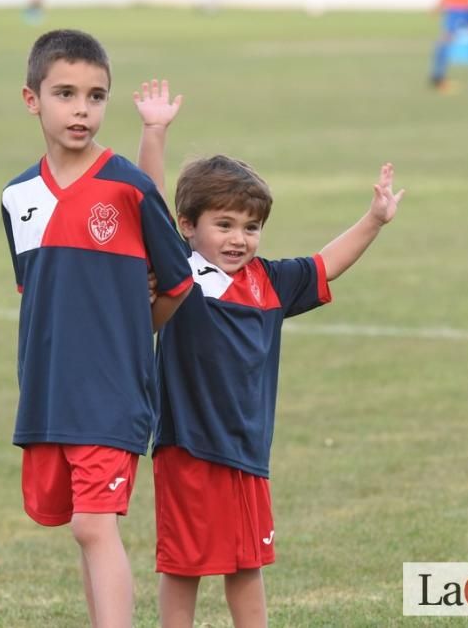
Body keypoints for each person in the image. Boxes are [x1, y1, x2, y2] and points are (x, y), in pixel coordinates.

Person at [133, 80, 404, 628]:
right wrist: (154, 132)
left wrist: (373, 220)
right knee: (183, 566)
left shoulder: (270, 283)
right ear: (188, 227)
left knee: (247, 563)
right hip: (188, 449)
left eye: (251, 227)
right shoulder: (180, 275)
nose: (239, 239)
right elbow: (147, 202)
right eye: (224, 225)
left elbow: (326, 264)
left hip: (248, 453)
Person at [0, 31, 193, 628]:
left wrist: (137, 333)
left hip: (112, 392)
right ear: (32, 99)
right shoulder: (16, 197)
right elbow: (36, 296)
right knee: (83, 529)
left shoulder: (127, 186)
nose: (82, 108)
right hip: (50, 392)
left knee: (93, 523)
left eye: (95, 95)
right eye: (65, 93)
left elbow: (177, 284)